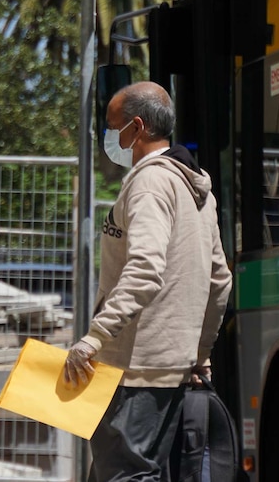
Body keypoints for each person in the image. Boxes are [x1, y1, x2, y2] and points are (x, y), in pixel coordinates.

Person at [61, 81, 233, 481]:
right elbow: (219, 280)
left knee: (124, 474)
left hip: (133, 367)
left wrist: (95, 337)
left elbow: (144, 269)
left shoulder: (150, 183)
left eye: (111, 124)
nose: (108, 135)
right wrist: (199, 352)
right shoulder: (196, 188)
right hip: (170, 365)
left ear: (136, 128)